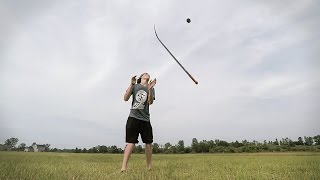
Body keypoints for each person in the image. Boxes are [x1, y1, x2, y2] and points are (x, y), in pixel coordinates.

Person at [121, 73, 156, 172]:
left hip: (145, 119)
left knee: (148, 143)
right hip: (133, 117)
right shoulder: (135, 86)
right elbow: (125, 98)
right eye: (145, 73)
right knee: (130, 143)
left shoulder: (151, 88)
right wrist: (131, 84)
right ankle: (123, 168)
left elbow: (150, 102)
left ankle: (149, 167)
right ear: (141, 77)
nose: (147, 74)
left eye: (148, 74)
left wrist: (149, 89)